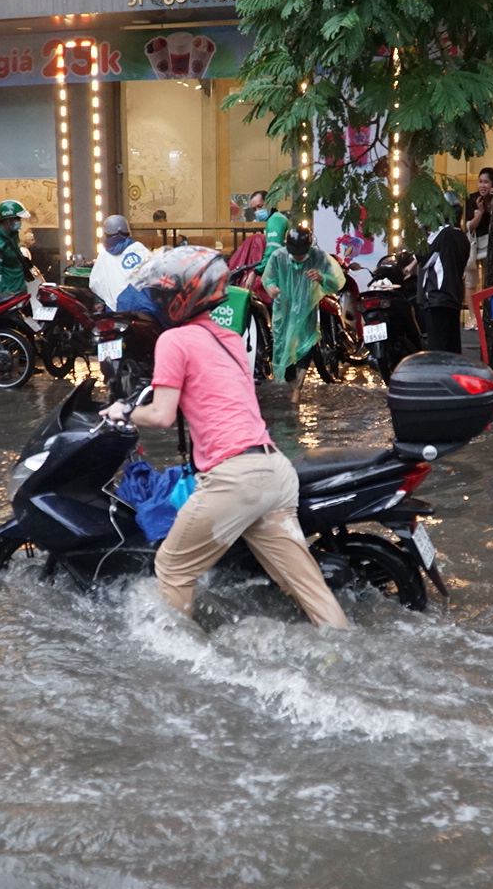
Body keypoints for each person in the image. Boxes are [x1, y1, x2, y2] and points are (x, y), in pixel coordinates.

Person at [98, 247, 348, 630]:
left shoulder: (175, 341)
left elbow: (162, 415)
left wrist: (124, 410)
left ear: (180, 299)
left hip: (235, 479)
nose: (156, 301)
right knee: (309, 588)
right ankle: (341, 644)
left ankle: (179, 663)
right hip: (275, 471)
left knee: (172, 566)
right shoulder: (229, 338)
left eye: (162, 295)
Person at [263, 227, 345, 404]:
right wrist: (272, 287)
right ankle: (293, 387)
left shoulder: (318, 257)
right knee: (282, 348)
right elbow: (268, 278)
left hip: (306, 310)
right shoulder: (278, 257)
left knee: (304, 347)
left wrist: (322, 278)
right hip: (283, 310)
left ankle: (297, 391)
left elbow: (336, 281)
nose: (298, 257)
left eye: (301, 253)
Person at [418, 200, 470, 354]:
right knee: (452, 345)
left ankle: (438, 376)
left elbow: (423, 259)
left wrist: (420, 232)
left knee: (438, 347)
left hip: (437, 296)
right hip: (454, 296)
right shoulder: (462, 237)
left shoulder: (443, 235)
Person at [89, 214, 149, 311]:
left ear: (106, 233)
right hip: (143, 308)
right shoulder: (139, 249)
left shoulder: (104, 255)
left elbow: (95, 283)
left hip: (116, 310)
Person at [0, 200, 38, 296]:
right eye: (17, 219)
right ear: (7, 220)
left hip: (20, 289)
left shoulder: (12, 234)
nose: (19, 222)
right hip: (10, 293)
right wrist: (6, 294)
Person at [464, 167, 493, 294]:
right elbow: (469, 226)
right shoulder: (472, 199)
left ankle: (487, 309)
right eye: (480, 182)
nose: (482, 185)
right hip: (474, 242)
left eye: (486, 182)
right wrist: (480, 213)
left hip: (490, 243)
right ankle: (473, 314)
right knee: (471, 279)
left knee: (490, 278)